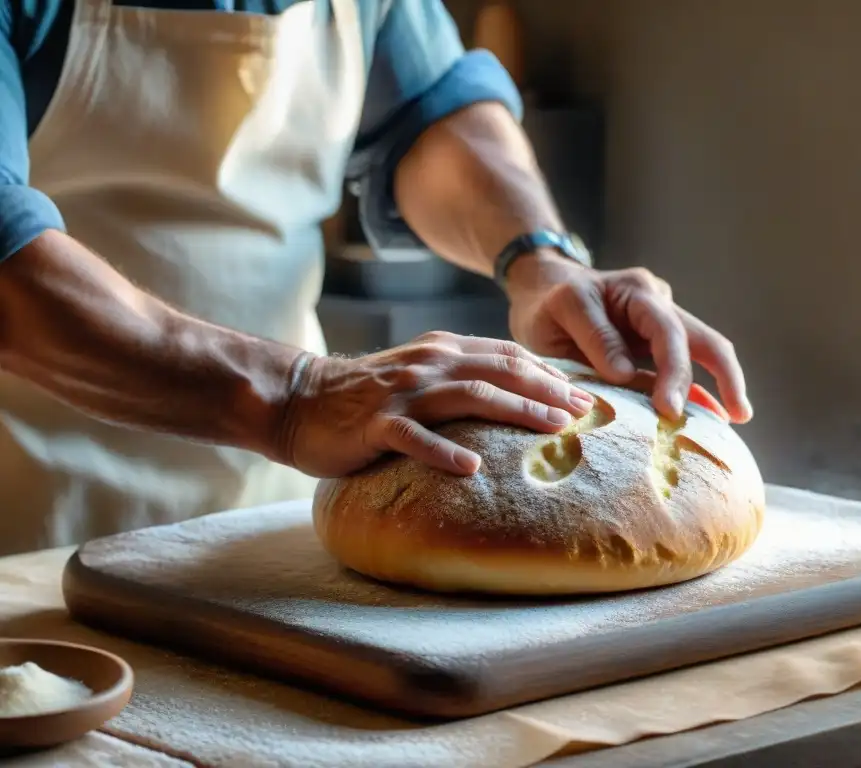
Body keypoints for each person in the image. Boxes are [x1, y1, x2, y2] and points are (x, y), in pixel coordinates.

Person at [0, 0, 753, 556]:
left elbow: (430, 113)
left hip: (264, 525)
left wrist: (540, 259)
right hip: (30, 531)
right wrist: (292, 398)